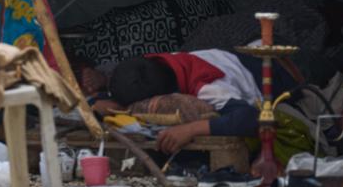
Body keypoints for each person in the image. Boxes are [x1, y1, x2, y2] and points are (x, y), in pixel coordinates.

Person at [103, 48, 299, 154]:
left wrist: (190, 129)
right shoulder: (164, 63)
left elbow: (250, 118)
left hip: (285, 77)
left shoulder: (209, 87)